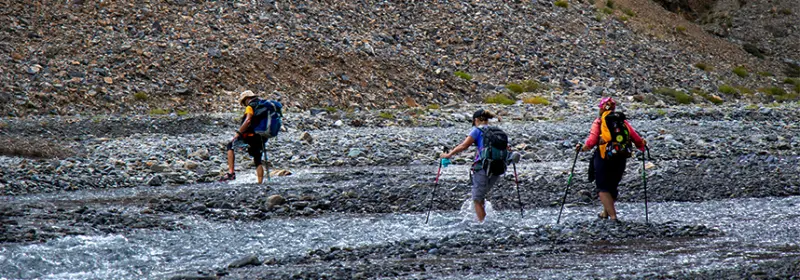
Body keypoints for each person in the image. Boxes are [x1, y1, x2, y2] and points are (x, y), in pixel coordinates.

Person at [576, 97, 646, 222]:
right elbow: (635, 137)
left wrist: (582, 149)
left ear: (601, 108)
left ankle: (613, 217)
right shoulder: (622, 121)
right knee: (612, 186)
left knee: (602, 187)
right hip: (621, 155)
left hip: (604, 157)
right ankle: (605, 212)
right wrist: (641, 146)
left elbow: (591, 141)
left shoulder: (599, 121)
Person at [440, 109, 505, 222]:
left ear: (475, 120)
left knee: (476, 198)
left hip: (482, 168)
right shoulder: (496, 131)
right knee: (481, 196)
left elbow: (464, 146)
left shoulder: (476, 130)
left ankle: (482, 225)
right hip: (498, 167)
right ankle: (483, 219)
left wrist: (448, 155)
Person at [220, 90, 269, 184]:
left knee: (230, 145)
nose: (244, 104)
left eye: (243, 102)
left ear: (246, 99)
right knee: (257, 160)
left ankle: (231, 173)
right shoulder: (263, 106)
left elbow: (248, 121)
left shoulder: (250, 107)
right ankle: (260, 183)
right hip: (262, 136)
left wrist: (238, 133)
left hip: (250, 136)